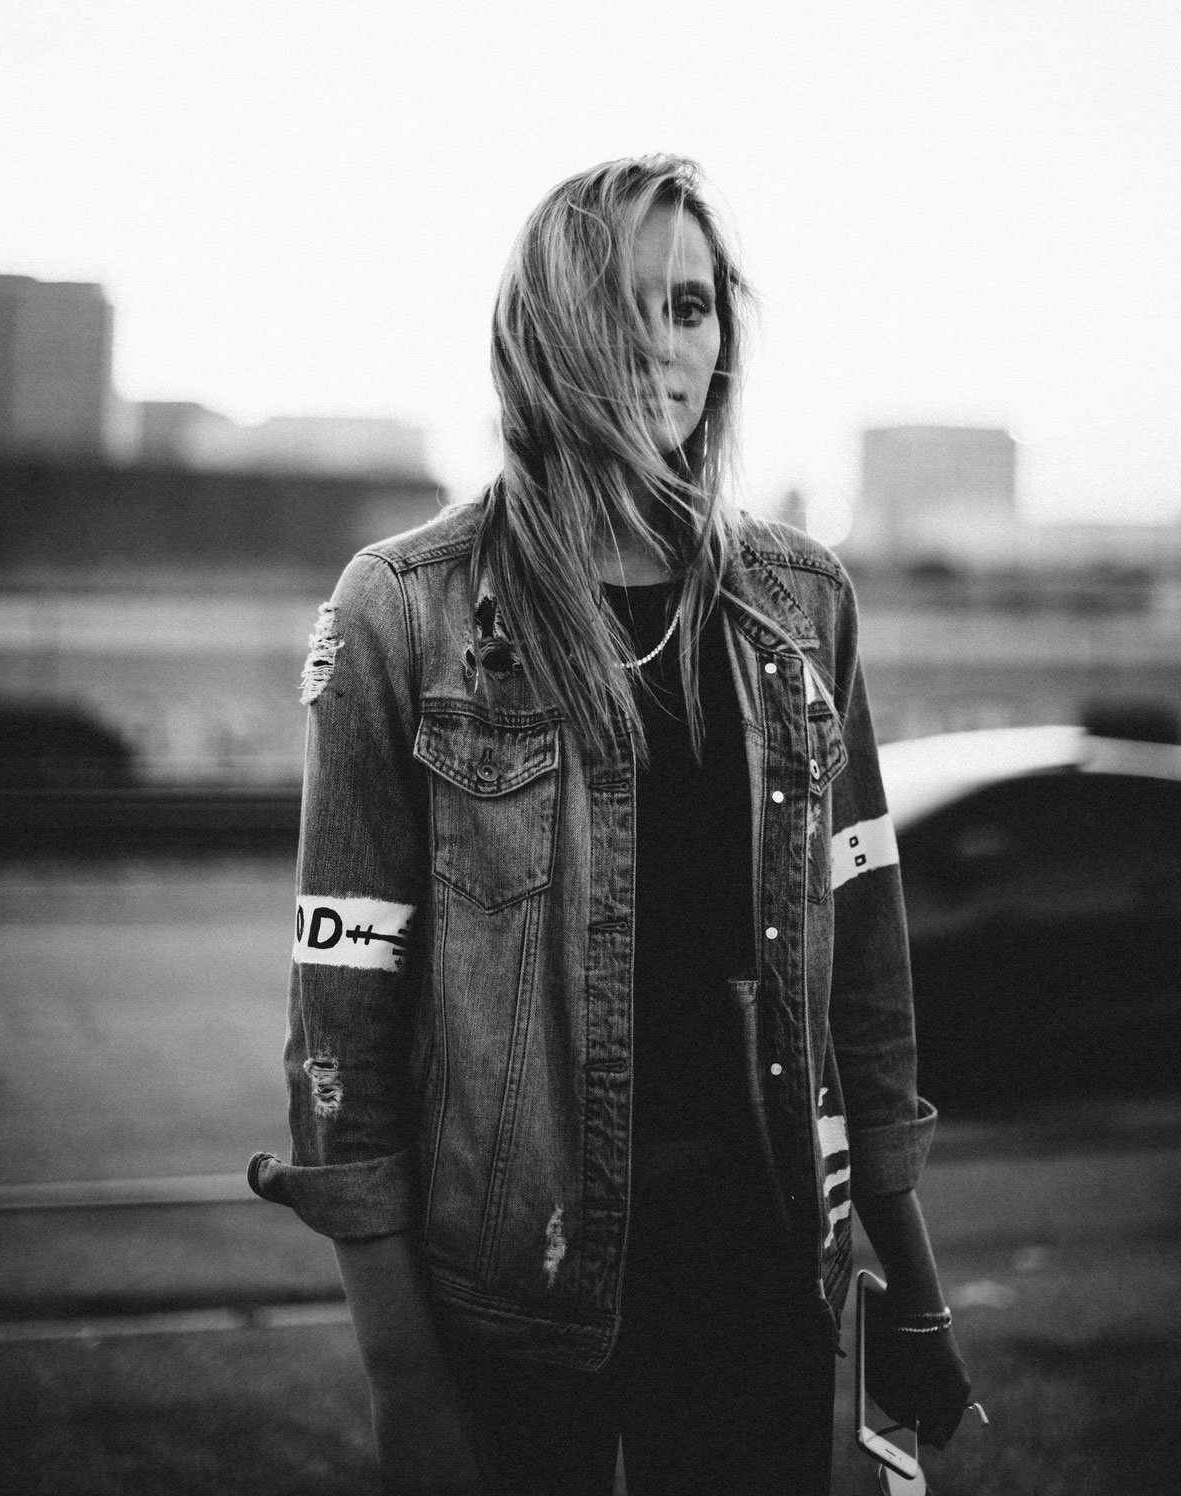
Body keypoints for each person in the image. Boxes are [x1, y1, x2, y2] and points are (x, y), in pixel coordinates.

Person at [249, 154, 973, 1495]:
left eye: (690, 306)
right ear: (543, 335)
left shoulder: (803, 606)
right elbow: (340, 1025)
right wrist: (404, 1379)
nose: (662, 344)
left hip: (765, 1283)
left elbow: (862, 977)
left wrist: (914, 1287)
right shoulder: (404, 612)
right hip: (512, 1308)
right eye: (619, 305)